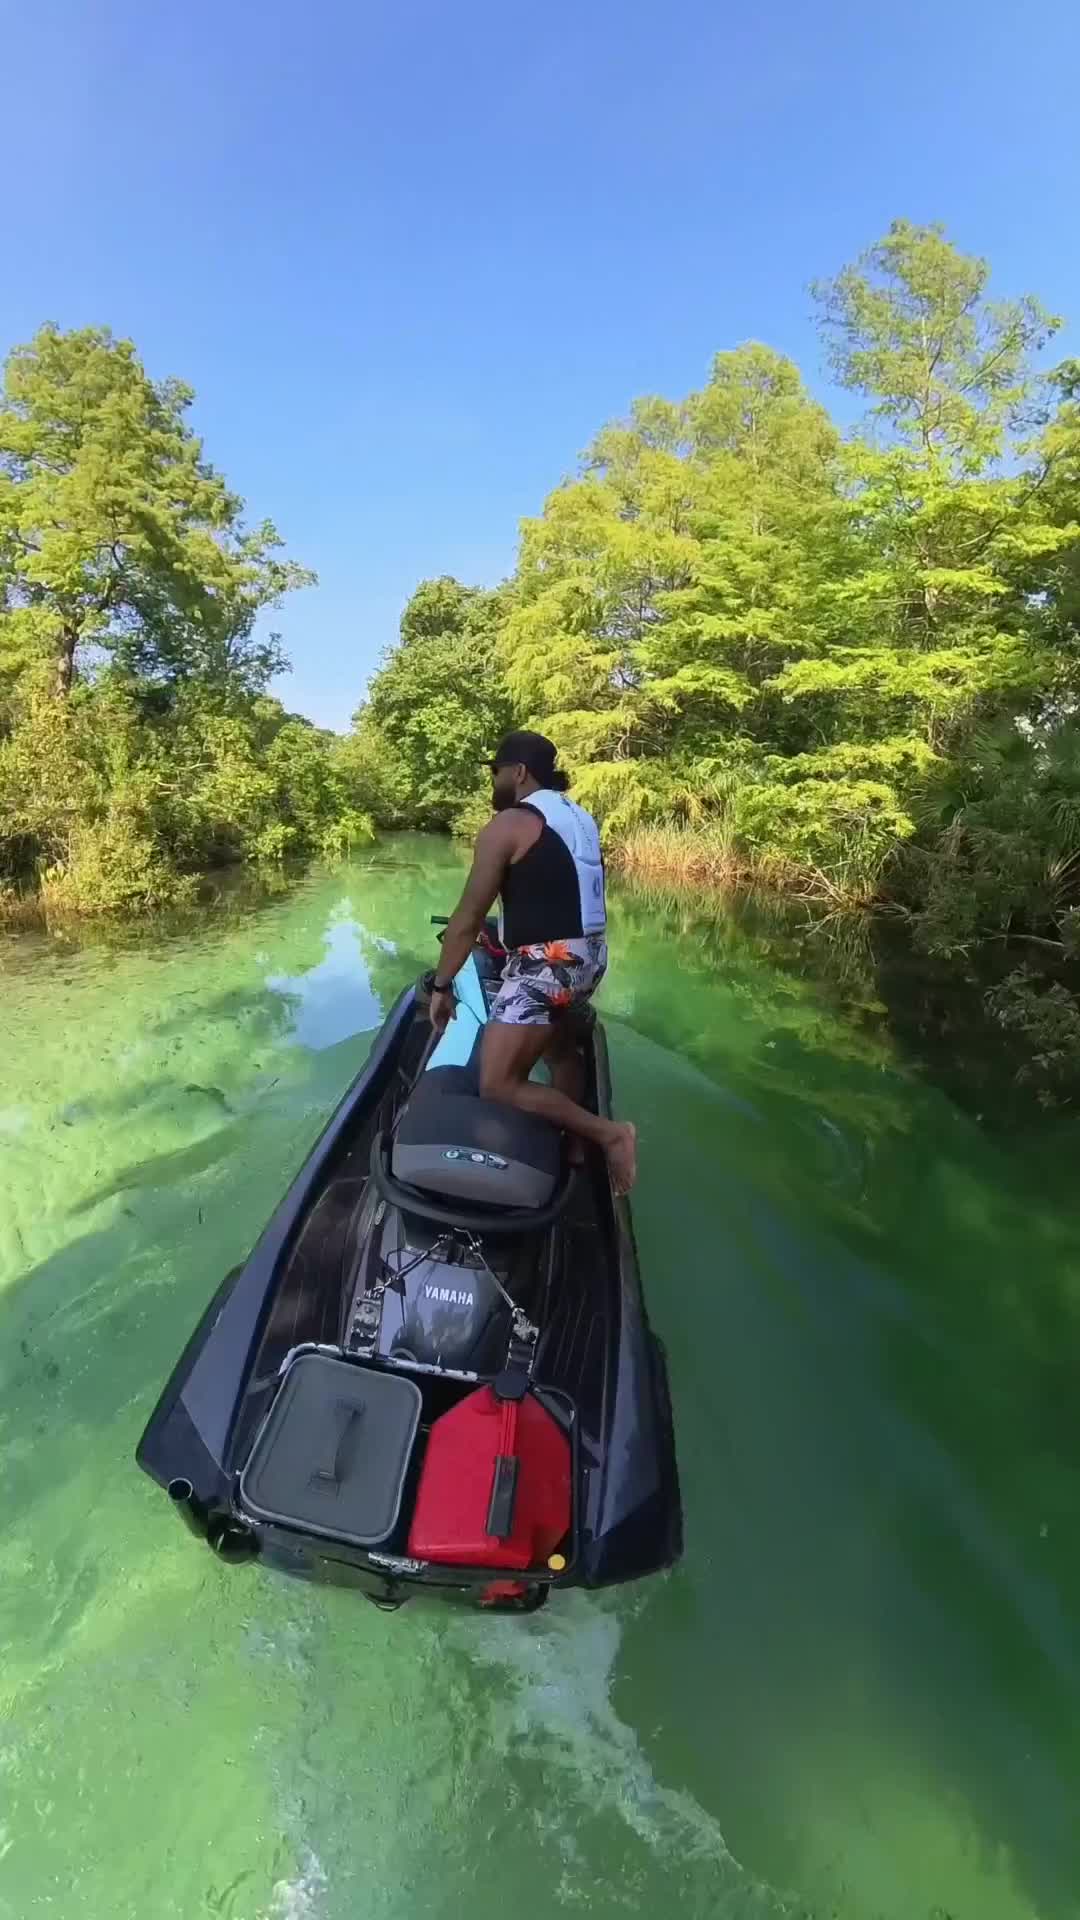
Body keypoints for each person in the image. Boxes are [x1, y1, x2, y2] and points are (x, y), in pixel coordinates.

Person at [427, 730, 637, 1194]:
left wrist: (442, 987)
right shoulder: (578, 818)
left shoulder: (508, 825)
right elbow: (556, 891)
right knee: (561, 1053)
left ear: (518, 772)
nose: (494, 781)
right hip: (589, 959)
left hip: (546, 966)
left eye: (496, 771)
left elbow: (466, 919)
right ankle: (572, 1144)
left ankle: (610, 1135)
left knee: (498, 1084)